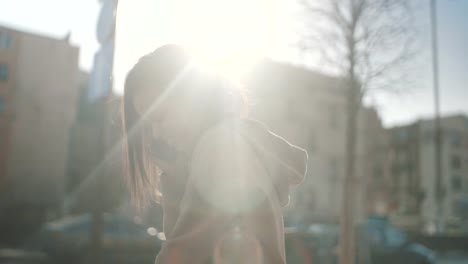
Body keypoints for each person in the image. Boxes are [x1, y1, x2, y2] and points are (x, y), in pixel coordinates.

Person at [122, 44, 308, 264]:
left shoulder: (220, 147)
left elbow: (186, 254)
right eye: (148, 125)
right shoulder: (221, 150)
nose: (155, 133)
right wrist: (178, 175)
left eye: (160, 116)